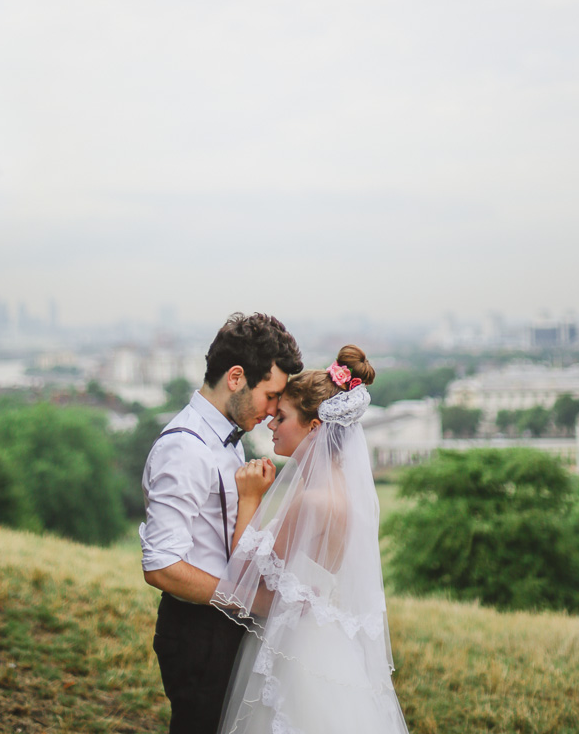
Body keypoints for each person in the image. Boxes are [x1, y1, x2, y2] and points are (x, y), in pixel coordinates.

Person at [211, 345, 409, 734]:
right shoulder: (337, 491)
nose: (271, 423)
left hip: (298, 645)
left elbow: (245, 573)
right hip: (323, 637)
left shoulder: (313, 500)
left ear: (313, 427)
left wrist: (250, 498)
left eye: (281, 417)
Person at [140, 312, 303, 734]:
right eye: (270, 395)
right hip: (198, 636)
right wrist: (246, 600)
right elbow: (160, 566)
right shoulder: (185, 449)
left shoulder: (224, 438)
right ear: (236, 378)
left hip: (222, 628)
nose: (272, 413)